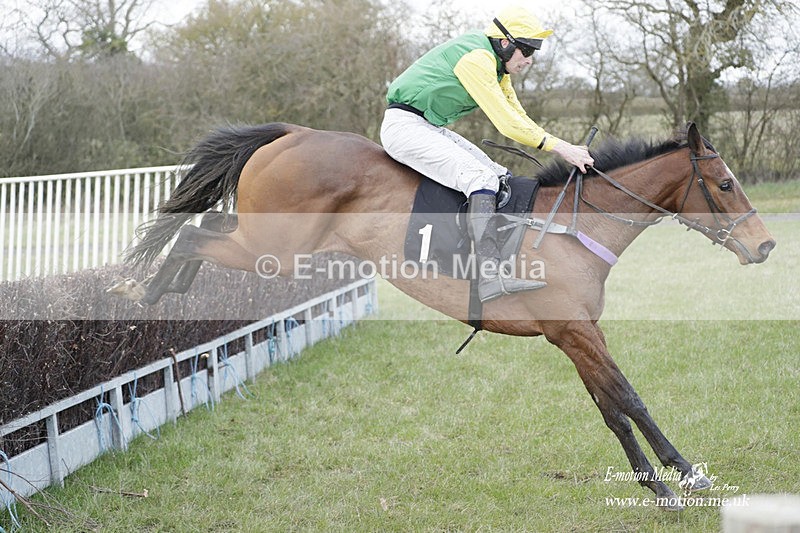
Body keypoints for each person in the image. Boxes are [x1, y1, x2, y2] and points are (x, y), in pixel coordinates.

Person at [381, 5, 594, 302]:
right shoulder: (477, 59)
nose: (529, 61)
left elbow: (518, 115)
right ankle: (488, 276)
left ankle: (503, 259)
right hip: (405, 127)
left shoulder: (498, 69)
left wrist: (562, 144)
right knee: (481, 177)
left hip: (428, 127)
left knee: (499, 175)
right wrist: (561, 148)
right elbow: (506, 123)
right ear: (505, 42)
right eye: (527, 51)